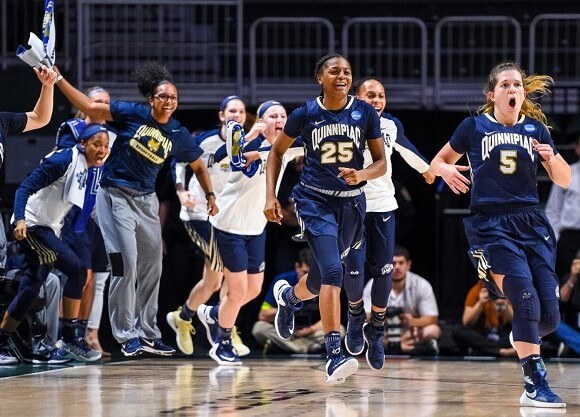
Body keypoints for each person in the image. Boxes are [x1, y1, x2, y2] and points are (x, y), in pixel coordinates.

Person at [430, 61, 571, 408]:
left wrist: (552, 160)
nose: (513, 90)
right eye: (506, 85)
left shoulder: (537, 130)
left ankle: (523, 333)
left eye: (518, 86)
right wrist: (445, 168)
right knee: (524, 299)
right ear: (492, 94)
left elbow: (565, 179)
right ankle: (535, 381)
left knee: (548, 317)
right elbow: (434, 165)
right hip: (492, 224)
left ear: (523, 94)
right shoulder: (473, 126)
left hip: (530, 223)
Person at [54, 62, 218, 357]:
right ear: (151, 100)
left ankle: (148, 333)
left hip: (146, 201)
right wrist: (59, 79)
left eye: (173, 98)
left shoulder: (178, 133)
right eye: (163, 97)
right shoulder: (132, 113)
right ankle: (125, 333)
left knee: (153, 265)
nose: (169, 102)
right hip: (114, 195)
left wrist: (210, 195)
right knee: (125, 263)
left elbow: (198, 165)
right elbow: (91, 107)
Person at [264, 53, 386, 383]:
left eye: (347, 71)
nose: (342, 75)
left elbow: (381, 164)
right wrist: (270, 196)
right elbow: (277, 152)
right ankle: (334, 353)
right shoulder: (306, 113)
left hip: (351, 205)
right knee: (335, 271)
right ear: (321, 77)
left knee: (320, 279)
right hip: (315, 202)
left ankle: (288, 299)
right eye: (334, 71)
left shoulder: (364, 113)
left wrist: (362, 175)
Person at [198, 99, 302, 365]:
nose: (279, 120)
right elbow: (228, 158)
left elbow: (313, 144)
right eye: (273, 116)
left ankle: (214, 314)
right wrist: (250, 138)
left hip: (256, 227)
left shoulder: (285, 147)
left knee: (253, 290)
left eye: (283, 116)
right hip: (230, 225)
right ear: (261, 121)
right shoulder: (247, 143)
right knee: (236, 290)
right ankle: (221, 343)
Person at [343, 77, 435, 371]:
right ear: (357, 98)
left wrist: (429, 170)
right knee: (354, 269)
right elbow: (303, 148)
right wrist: (272, 152)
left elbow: (409, 151)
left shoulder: (391, 125)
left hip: (383, 205)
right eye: (371, 95)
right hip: (351, 203)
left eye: (382, 96)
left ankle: (376, 330)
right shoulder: (339, 122)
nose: (377, 100)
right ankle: (356, 316)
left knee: (383, 269)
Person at [0, 124, 109, 364]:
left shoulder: (92, 170)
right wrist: (19, 219)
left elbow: (90, 209)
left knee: (31, 286)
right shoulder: (63, 159)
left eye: (106, 146)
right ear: (83, 144)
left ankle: (3, 343)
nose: (102, 151)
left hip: (49, 227)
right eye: (96, 145)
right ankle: (69, 339)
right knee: (78, 269)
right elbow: (24, 188)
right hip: (31, 225)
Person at [165, 95, 263, 357]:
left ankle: (184, 317)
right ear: (222, 115)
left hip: (227, 219)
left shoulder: (253, 144)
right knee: (230, 276)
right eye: (232, 111)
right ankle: (224, 332)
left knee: (212, 283)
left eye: (241, 111)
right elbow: (179, 162)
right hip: (198, 215)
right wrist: (181, 192)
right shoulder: (206, 140)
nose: (237, 115)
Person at [55, 86, 114, 355]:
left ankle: (86, 335)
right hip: (73, 210)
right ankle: (61, 334)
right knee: (80, 274)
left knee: (97, 277)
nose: (101, 107)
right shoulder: (73, 130)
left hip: (100, 213)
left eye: (106, 103)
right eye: (96, 102)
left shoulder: (112, 136)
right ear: (84, 104)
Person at [363, 245, 441, 356]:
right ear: (388, 266)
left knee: (433, 330)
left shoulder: (421, 284)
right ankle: (407, 348)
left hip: (408, 332)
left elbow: (432, 318)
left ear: (408, 264)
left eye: (401, 263)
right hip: (384, 331)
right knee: (363, 329)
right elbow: (365, 315)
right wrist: (383, 316)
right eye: (393, 263)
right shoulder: (373, 284)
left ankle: (395, 347)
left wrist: (411, 321)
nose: (397, 267)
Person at [253, 248, 329, 354]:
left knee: (339, 330)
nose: (308, 278)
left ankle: (282, 346)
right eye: (305, 273)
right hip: (285, 330)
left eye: (312, 275)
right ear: (297, 267)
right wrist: (286, 306)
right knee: (259, 328)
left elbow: (330, 316)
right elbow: (263, 315)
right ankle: (309, 347)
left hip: (310, 331)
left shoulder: (322, 282)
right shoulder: (282, 281)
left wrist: (310, 329)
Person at [451, 280, 516, 357]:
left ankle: (483, 350)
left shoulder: (509, 290)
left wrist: (506, 307)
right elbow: (466, 322)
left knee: (519, 333)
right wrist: (480, 303)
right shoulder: (477, 290)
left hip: (501, 337)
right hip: (482, 336)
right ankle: (501, 352)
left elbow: (519, 324)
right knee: (458, 330)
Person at [545, 136, 580, 278]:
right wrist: (556, 238)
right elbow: (553, 209)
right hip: (569, 237)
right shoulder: (567, 172)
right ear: (577, 149)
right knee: (565, 280)